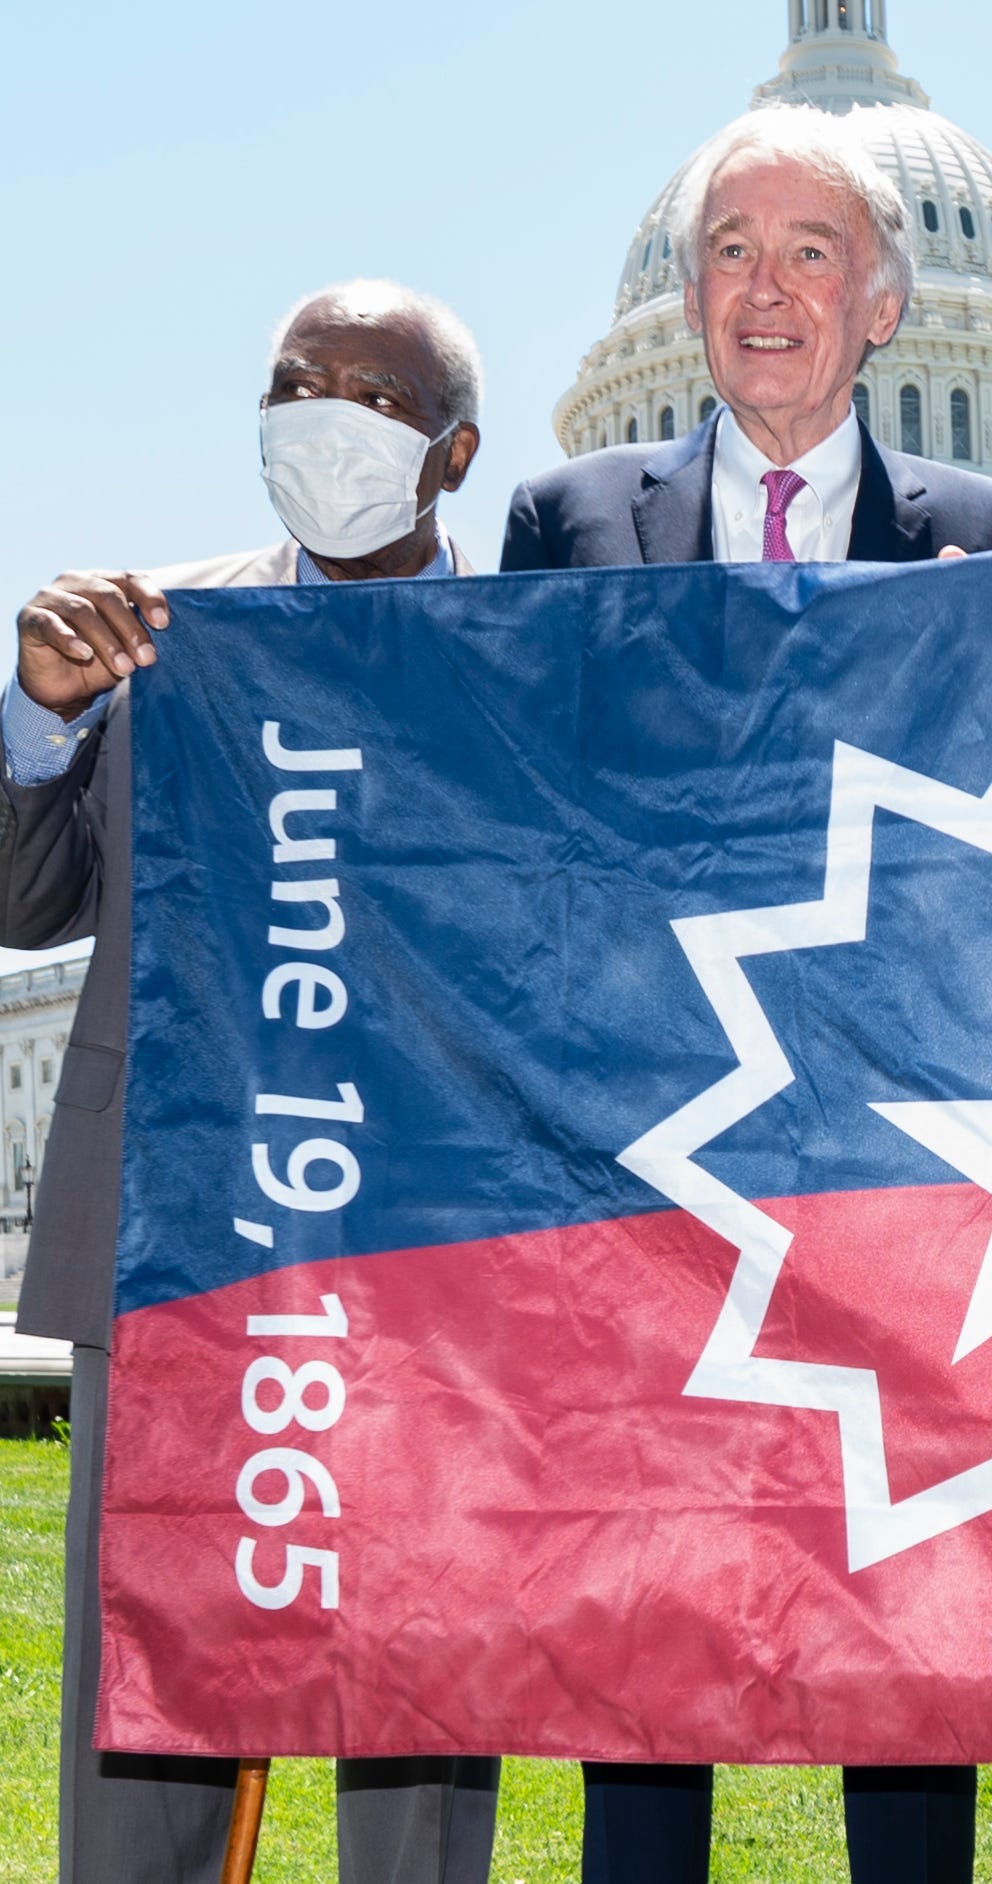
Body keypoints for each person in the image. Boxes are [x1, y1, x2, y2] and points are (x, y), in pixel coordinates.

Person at [500, 102, 992, 1884]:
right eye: (731, 251)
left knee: (903, 1641)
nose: (768, 289)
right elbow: (510, 834)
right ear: (686, 301)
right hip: (653, 1170)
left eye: (811, 253)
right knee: (651, 1647)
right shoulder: (564, 517)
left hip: (902, 1178)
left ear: (884, 304)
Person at [4, 279, 500, 1884]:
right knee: (149, 1707)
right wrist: (33, 722)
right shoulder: (158, 635)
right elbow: (26, 904)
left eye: (370, 394)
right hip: (178, 1252)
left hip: (432, 1266)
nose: (322, 414)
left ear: (454, 455)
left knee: (411, 1729)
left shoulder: (524, 674)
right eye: (298, 380)